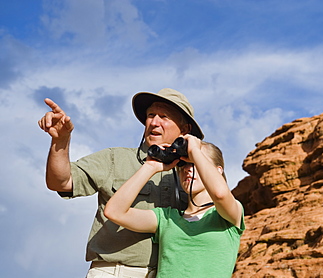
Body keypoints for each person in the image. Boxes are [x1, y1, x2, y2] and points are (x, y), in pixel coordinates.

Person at [37, 88, 204, 278]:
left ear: (185, 129)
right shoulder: (115, 158)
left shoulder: (194, 172)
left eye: (164, 117)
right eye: (151, 115)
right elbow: (61, 182)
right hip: (115, 271)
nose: (154, 122)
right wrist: (60, 141)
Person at [104, 134, 245, 278]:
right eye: (183, 164)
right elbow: (114, 212)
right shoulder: (167, 218)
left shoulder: (229, 215)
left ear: (218, 170)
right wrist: (150, 167)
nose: (187, 169)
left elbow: (220, 194)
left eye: (194, 163)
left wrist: (195, 151)